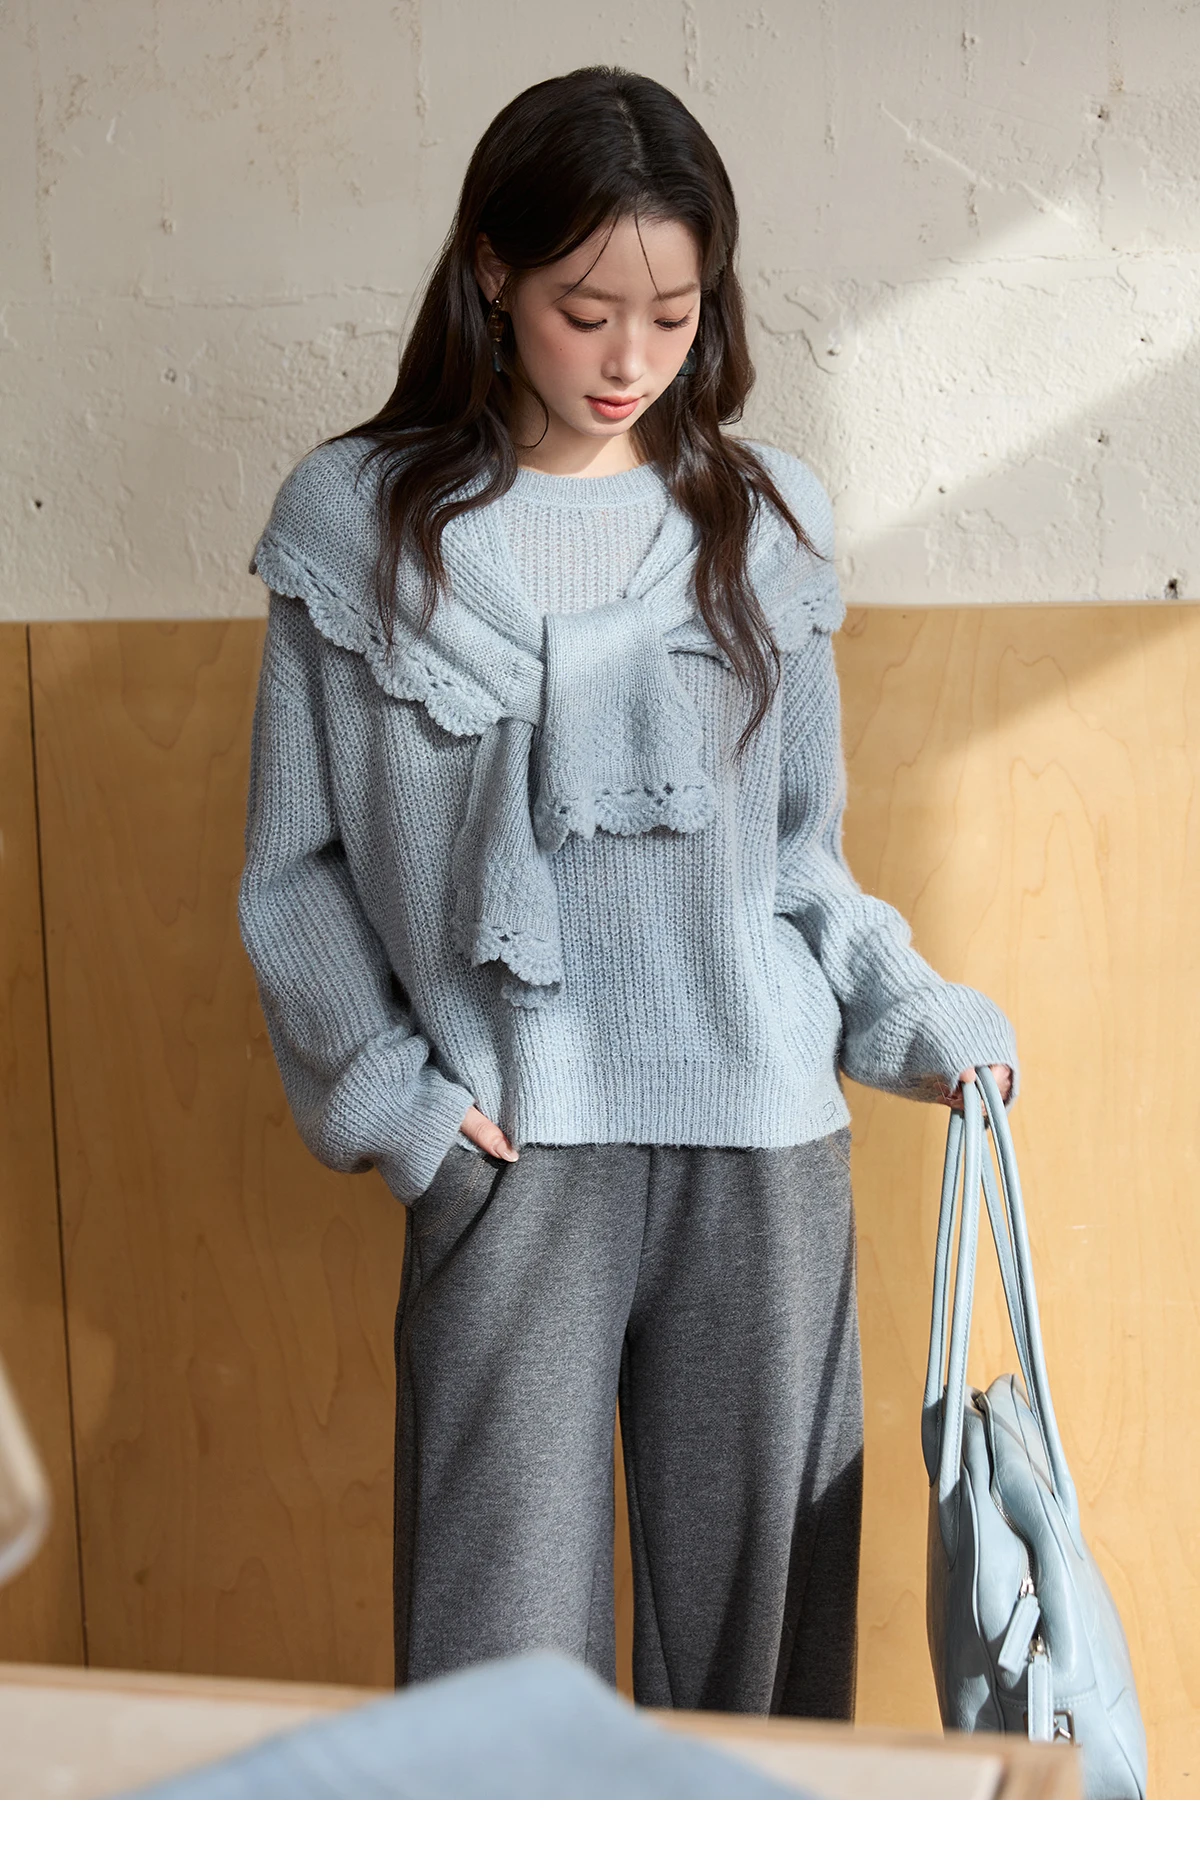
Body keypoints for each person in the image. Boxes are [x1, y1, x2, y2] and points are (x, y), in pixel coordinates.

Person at [237, 65, 1017, 1719]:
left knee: (765, 1668)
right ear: (492, 272)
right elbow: (295, 870)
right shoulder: (355, 526)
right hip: (510, 1156)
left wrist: (920, 1018)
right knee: (492, 1672)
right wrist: (402, 1107)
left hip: (765, 1150)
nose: (629, 359)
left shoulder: (766, 518)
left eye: (674, 314)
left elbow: (797, 859)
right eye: (586, 311)